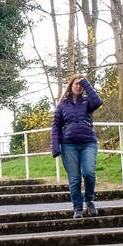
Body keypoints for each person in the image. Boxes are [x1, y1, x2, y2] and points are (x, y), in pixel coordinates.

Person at [50, 74, 103, 217]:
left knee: (89, 173)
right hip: (68, 145)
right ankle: (77, 208)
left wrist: (85, 82)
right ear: (70, 86)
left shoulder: (88, 102)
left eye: (81, 84)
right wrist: (55, 146)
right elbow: (55, 126)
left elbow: (98, 101)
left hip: (88, 144)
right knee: (74, 179)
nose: (78, 86)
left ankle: (90, 200)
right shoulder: (62, 105)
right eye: (76, 84)